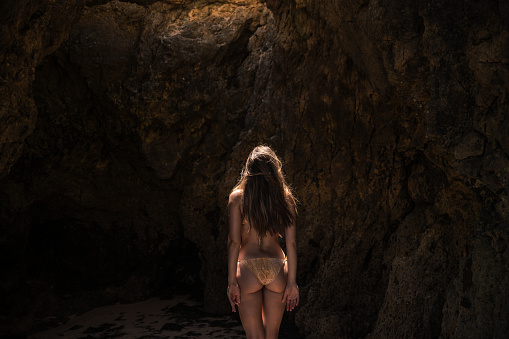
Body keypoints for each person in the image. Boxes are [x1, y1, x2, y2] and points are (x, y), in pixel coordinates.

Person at [227, 145, 299, 339]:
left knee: (254, 335)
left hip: (248, 268)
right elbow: (291, 244)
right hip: (277, 267)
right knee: (272, 335)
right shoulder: (286, 198)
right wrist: (292, 283)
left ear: (248, 171)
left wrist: (231, 282)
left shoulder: (238, 198)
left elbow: (234, 242)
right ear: (275, 170)